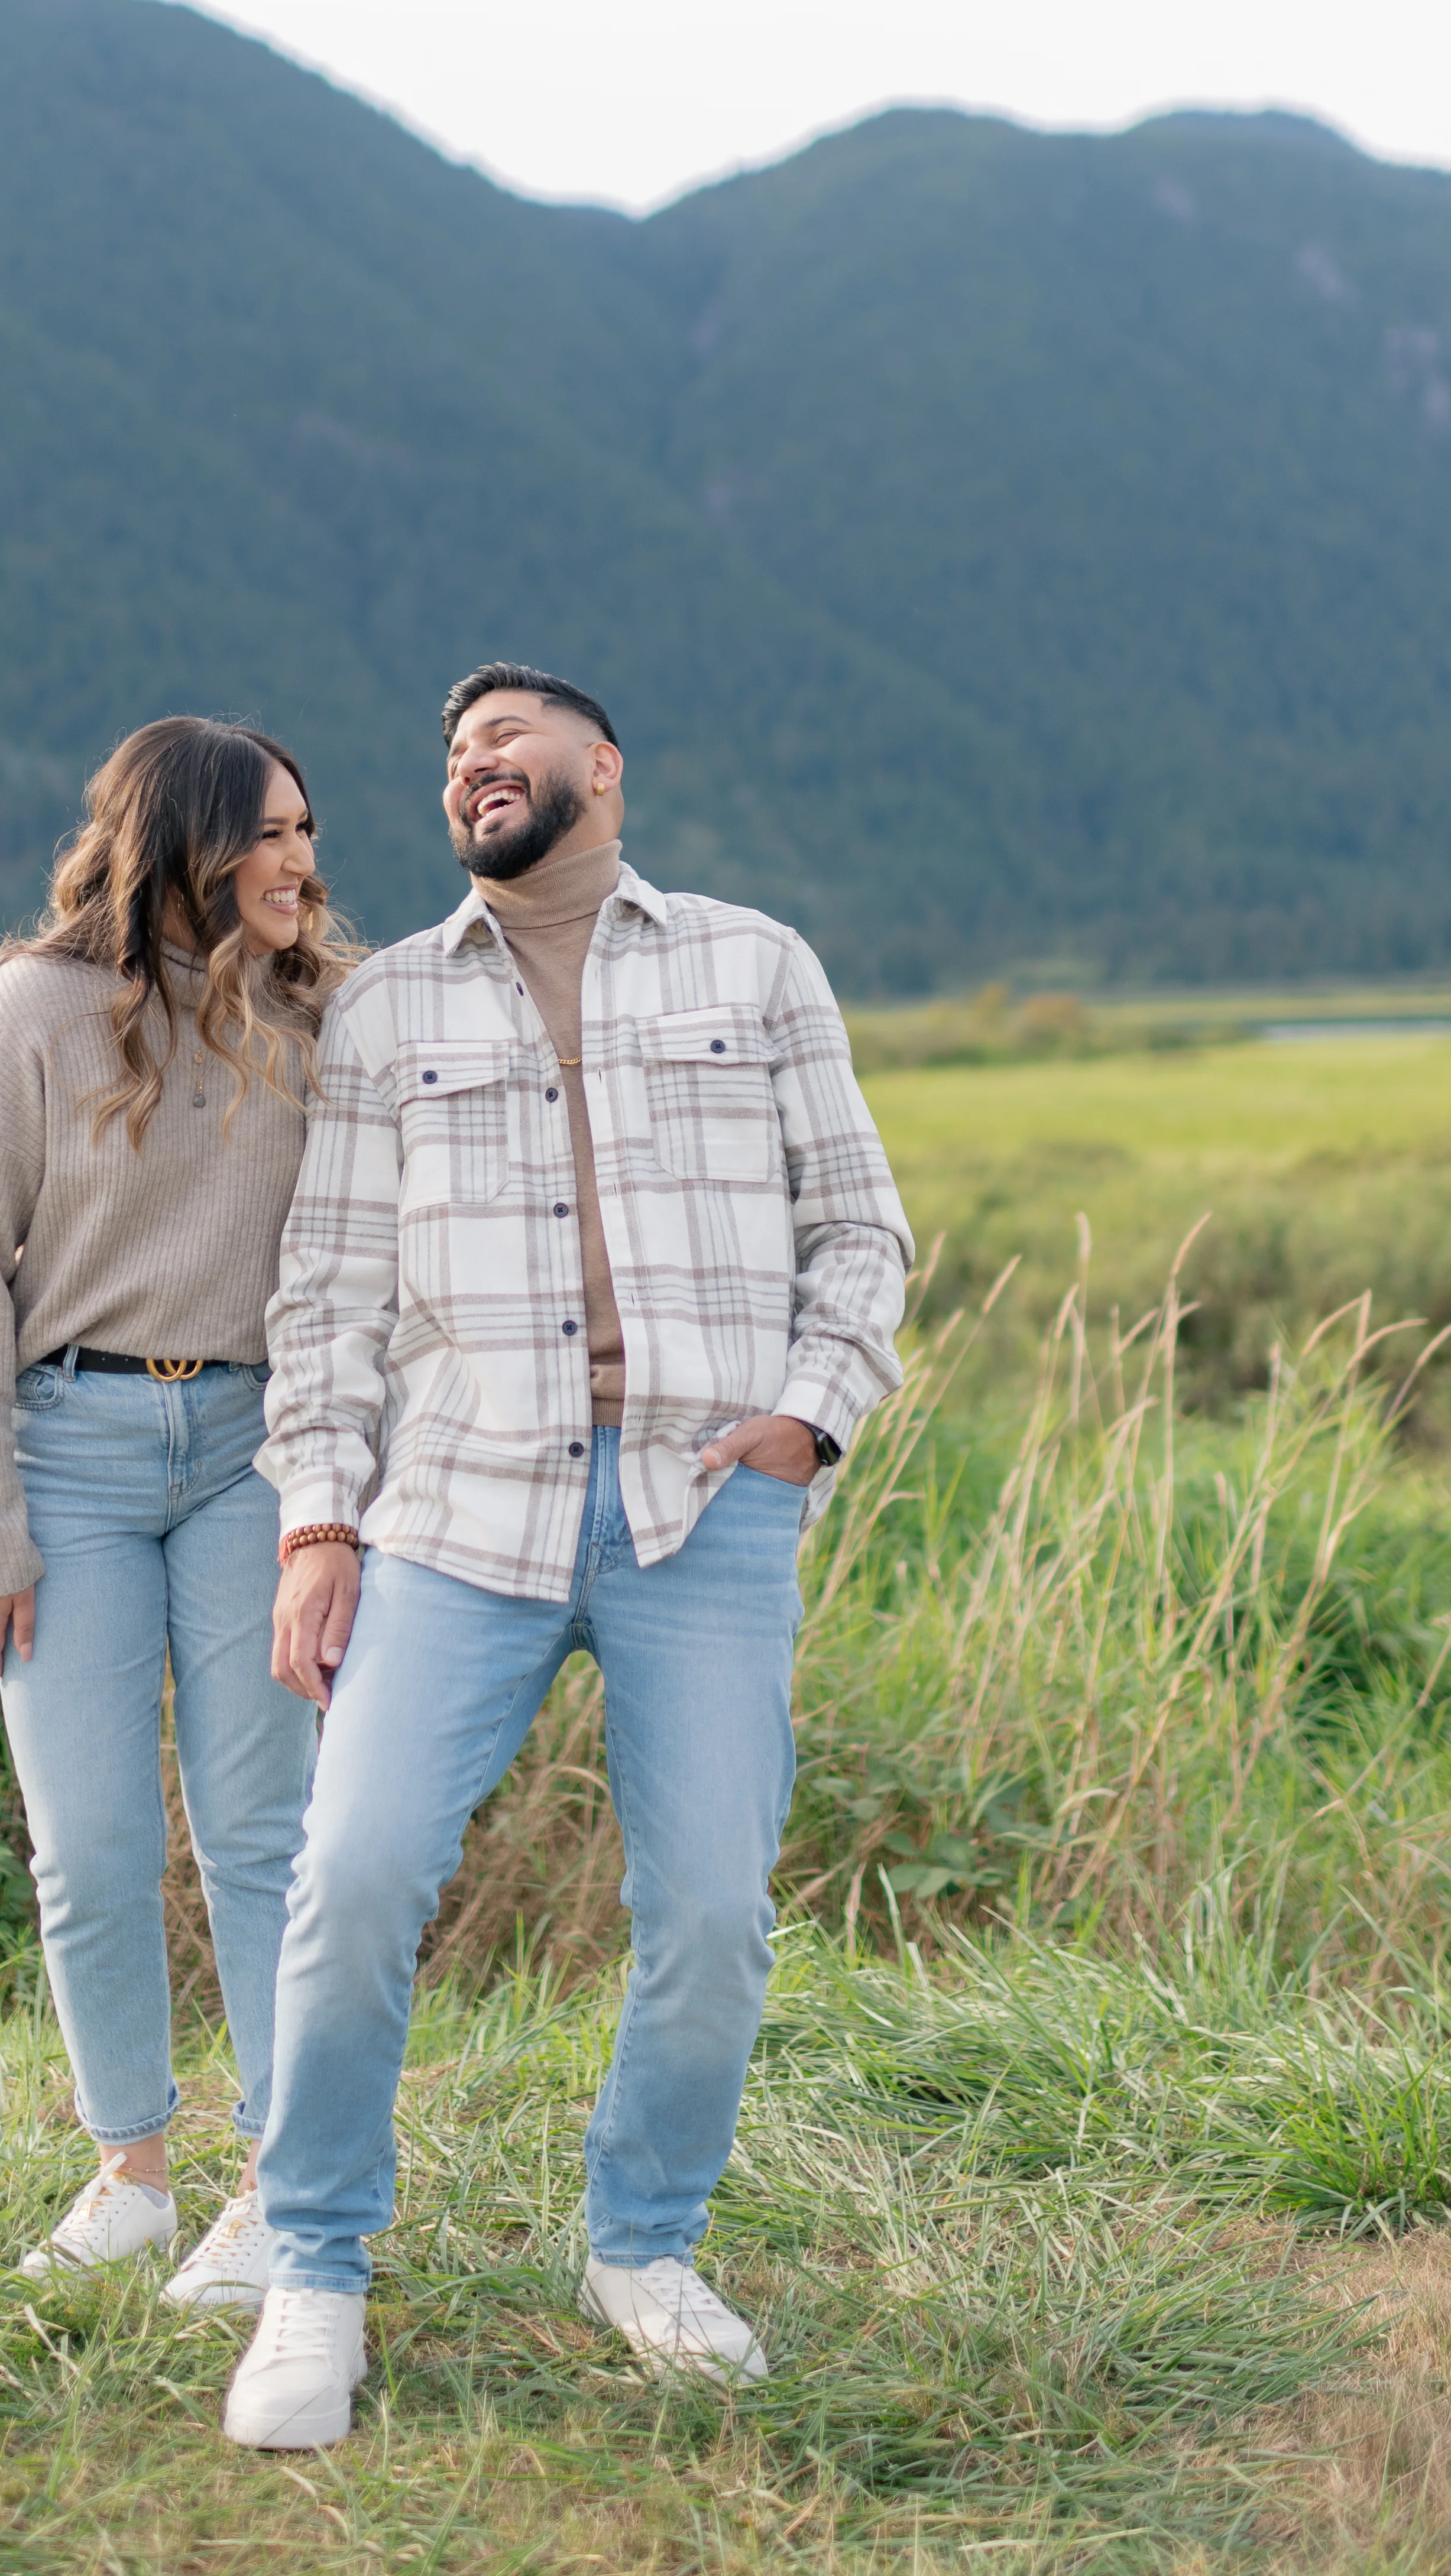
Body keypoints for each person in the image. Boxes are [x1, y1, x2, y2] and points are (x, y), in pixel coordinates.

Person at [221, 663, 913, 2449]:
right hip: (456, 1511)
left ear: (601, 764)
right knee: (355, 1876)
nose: (473, 767)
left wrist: (806, 1423)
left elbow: (861, 1227)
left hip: (706, 1510)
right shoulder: (380, 1010)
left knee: (707, 1915)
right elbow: (326, 1301)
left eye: (505, 738)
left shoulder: (755, 965)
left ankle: (644, 2248)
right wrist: (316, 1522)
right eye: (451, 755)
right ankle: (315, 2270)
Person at [0, 716, 352, 2308]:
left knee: (262, 1838)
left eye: (310, 829)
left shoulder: (322, 1016)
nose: (302, 860)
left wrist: (343, 1508)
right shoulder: (30, 1012)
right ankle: (130, 2176)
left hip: (256, 1454)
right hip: (70, 1452)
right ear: (184, 842)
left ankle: (277, 2190)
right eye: (271, 832)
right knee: (87, 1847)